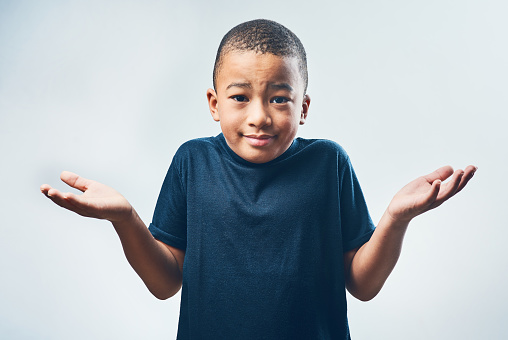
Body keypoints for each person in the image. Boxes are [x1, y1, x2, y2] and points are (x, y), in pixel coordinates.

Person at [40, 19, 476, 339]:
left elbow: (361, 284)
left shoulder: (329, 164)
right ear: (214, 103)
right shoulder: (192, 162)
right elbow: (165, 282)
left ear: (303, 108)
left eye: (279, 98)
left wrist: (396, 219)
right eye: (240, 97)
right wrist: (125, 218)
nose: (259, 116)